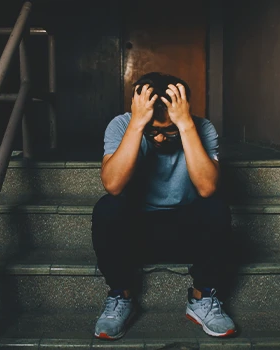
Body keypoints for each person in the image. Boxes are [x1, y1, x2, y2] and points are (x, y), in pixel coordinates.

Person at [91, 72, 236, 340]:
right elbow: (112, 185)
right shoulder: (122, 125)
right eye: (153, 131)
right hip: (136, 234)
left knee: (215, 206)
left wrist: (185, 126)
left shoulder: (202, 128)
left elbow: (207, 187)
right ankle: (120, 296)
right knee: (107, 207)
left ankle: (201, 298)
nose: (159, 139)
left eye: (168, 130)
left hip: (186, 232)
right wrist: (137, 125)